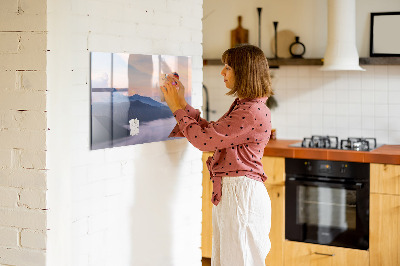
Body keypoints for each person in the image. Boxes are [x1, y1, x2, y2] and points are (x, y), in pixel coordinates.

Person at [161, 44, 273, 266]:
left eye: (228, 67)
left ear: (244, 72)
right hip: (236, 193)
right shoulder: (246, 106)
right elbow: (212, 133)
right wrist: (182, 103)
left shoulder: (250, 111)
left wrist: (176, 108)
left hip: (241, 196)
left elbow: (204, 141)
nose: (222, 72)